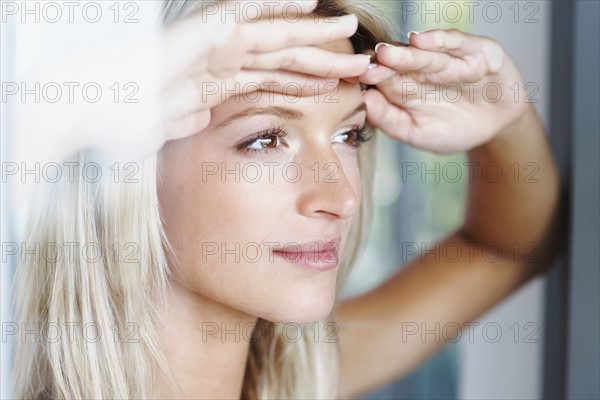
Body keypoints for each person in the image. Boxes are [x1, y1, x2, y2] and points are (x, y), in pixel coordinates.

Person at [11, 0, 560, 399]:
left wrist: (506, 114)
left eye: (350, 134)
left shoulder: (302, 380)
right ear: (133, 167)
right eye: (266, 140)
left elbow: (504, 249)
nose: (339, 197)